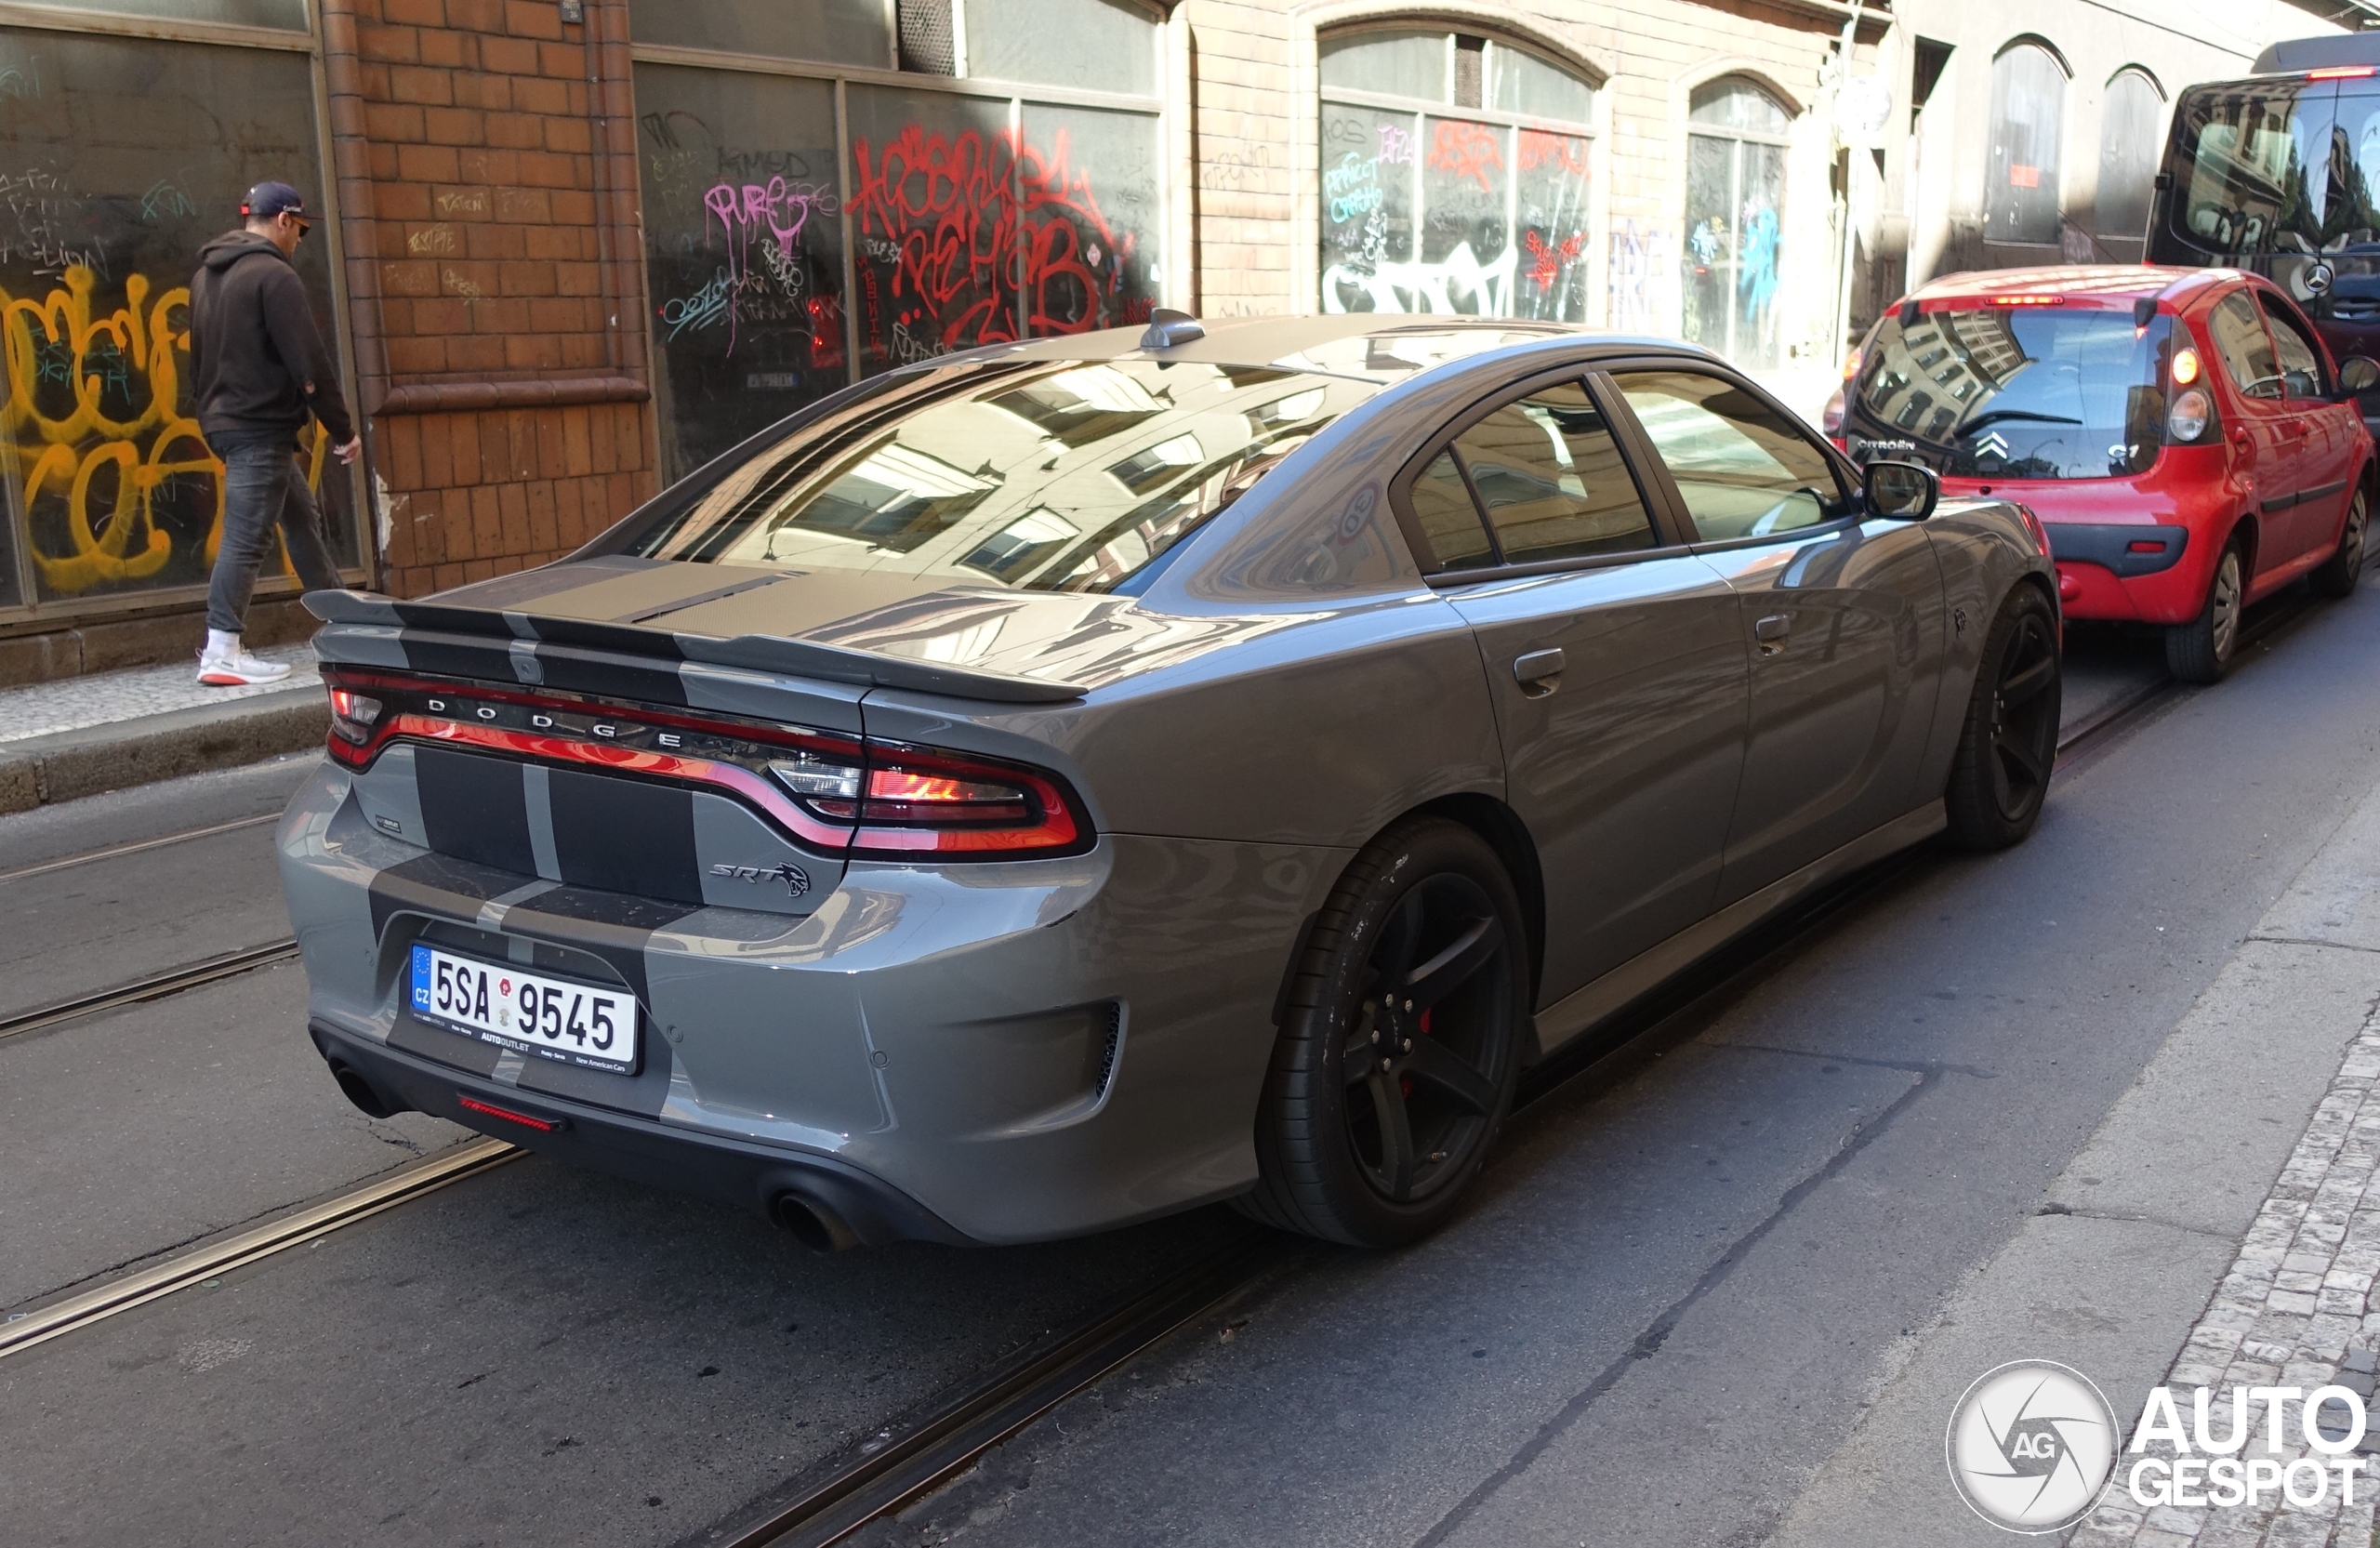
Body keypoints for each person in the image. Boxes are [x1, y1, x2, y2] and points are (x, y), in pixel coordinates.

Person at [187, 179, 362, 686]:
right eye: (301, 229)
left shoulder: (206, 278)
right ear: (283, 220)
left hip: (227, 420)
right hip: (259, 424)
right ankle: (221, 647)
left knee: (301, 519)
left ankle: (344, 625)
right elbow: (308, 361)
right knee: (247, 535)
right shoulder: (273, 276)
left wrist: (211, 416)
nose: (301, 240)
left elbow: (195, 363)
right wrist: (342, 428)